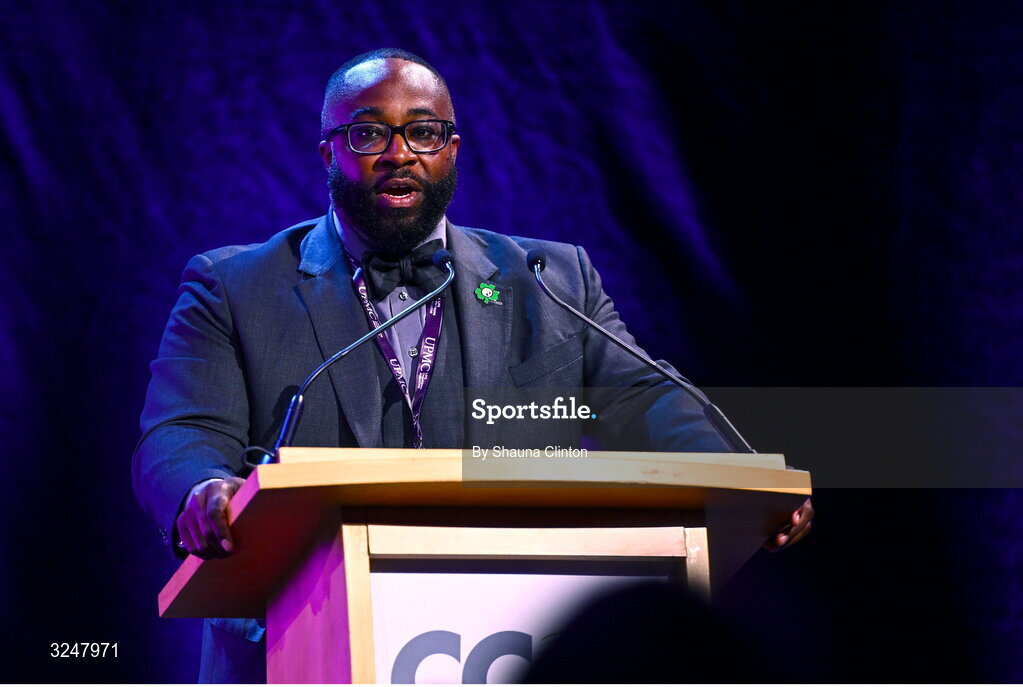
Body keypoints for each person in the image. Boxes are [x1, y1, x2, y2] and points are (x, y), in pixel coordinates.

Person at [132, 47, 813, 683]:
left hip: (516, 633)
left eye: (423, 132)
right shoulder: (234, 285)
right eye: (368, 134)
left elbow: (642, 397)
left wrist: (736, 481)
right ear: (328, 152)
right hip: (295, 643)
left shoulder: (549, 280)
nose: (398, 154)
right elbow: (179, 433)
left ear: (452, 149)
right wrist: (203, 491)